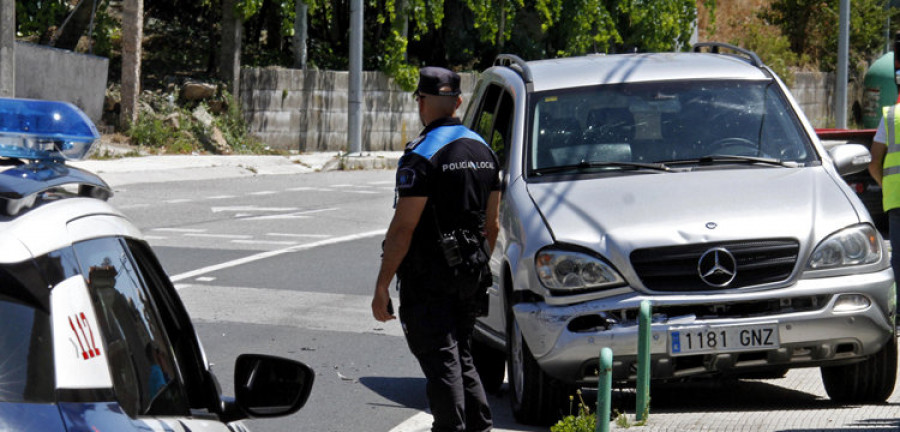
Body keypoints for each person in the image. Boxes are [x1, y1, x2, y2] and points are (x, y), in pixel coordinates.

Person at [371, 66, 501, 432]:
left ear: (422, 103)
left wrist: (383, 284)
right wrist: (475, 265)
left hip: (429, 279)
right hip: (471, 274)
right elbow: (492, 225)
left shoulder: (424, 154)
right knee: (462, 354)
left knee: (442, 362)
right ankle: (480, 427)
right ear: (458, 102)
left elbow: (403, 229)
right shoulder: (485, 150)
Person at [868, 44, 900, 310]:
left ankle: (897, 313)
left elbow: (873, 163)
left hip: (896, 201)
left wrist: (884, 185)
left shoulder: (890, 117)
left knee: (898, 260)